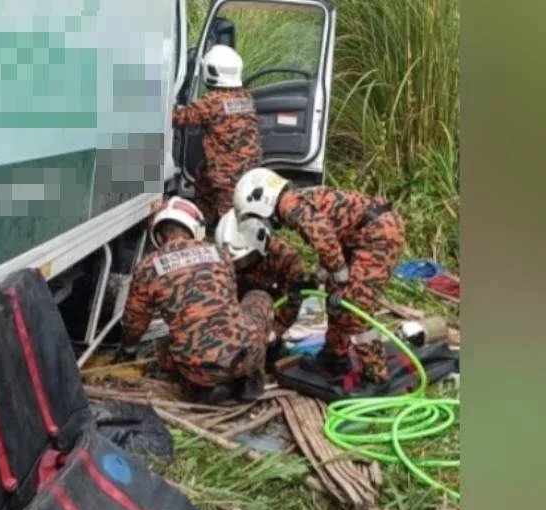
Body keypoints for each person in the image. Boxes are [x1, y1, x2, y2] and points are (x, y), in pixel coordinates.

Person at [231, 168, 406, 387]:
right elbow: (332, 237)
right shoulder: (295, 200)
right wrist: (320, 277)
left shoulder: (290, 206)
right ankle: (335, 356)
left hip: (378, 234)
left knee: (354, 307)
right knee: (334, 300)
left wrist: (341, 282)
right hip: (360, 235)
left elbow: (324, 239)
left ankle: (376, 375)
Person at [114, 196, 274, 403]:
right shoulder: (220, 254)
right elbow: (230, 305)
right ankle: (248, 377)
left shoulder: (148, 267)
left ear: (159, 237)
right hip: (246, 355)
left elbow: (135, 323)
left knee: (163, 348)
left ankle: (205, 387)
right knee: (258, 297)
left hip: (199, 369)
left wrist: (127, 351)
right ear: (195, 228)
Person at [214, 210, 316, 370]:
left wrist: (275, 332)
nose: (240, 265)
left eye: (245, 259)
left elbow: (292, 303)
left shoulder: (285, 258)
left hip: (270, 317)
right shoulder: (221, 262)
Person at [171, 45, 262, 225]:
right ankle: (205, 219)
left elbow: (179, 118)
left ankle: (231, 239)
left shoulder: (212, 101)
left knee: (231, 218)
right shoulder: (246, 97)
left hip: (227, 172)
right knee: (203, 175)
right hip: (249, 166)